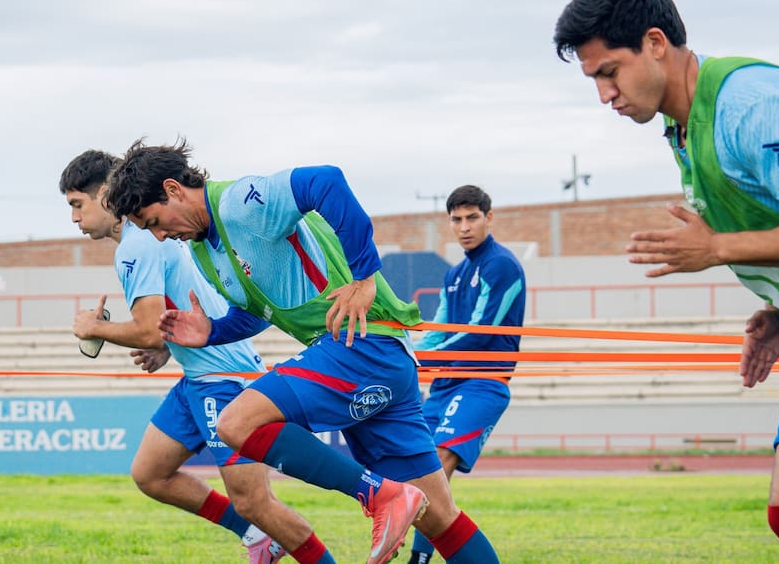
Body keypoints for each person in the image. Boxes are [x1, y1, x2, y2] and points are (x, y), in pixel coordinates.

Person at [105, 140, 500, 564]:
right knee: (439, 516)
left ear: (173, 189)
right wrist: (212, 331)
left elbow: (325, 180)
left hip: (363, 346)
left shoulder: (239, 202)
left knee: (235, 422)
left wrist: (365, 277)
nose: (161, 235)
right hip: (373, 357)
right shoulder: (204, 249)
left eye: (155, 221)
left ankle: (380, 496)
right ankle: (390, 496)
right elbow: (262, 313)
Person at [554, 0, 779, 562]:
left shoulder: (750, 107)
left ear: (655, 44)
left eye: (609, 72)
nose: (604, 95)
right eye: (594, 80)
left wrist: (718, 249)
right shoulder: (685, 132)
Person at [62, 149, 320, 564]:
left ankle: (291, 544)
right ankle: (256, 536)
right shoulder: (145, 239)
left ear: (106, 195)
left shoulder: (136, 246)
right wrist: (166, 345)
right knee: (150, 473)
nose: (74, 218)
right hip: (199, 377)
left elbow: (146, 326)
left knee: (256, 501)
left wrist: (94, 328)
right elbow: (174, 308)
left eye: (77, 204)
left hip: (226, 380)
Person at [407, 185, 524, 564]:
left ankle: (420, 558)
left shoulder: (501, 265)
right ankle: (423, 557)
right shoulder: (455, 273)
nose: (464, 226)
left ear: (489, 218)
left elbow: (480, 330)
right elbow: (441, 324)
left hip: (483, 381)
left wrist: (424, 356)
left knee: (439, 460)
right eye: (456, 219)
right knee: (416, 465)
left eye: (472, 217)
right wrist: (409, 349)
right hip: (445, 383)